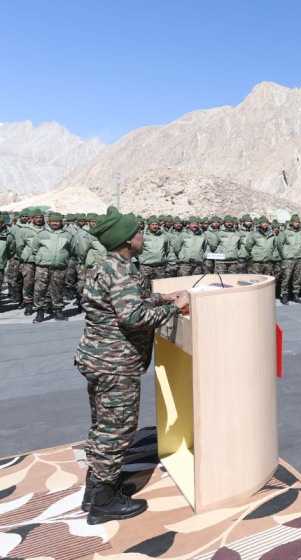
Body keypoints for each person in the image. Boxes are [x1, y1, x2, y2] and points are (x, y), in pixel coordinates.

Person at [75, 206, 189, 524]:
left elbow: (128, 303)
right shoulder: (120, 271)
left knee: (103, 428)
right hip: (115, 364)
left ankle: (97, 490)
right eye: (138, 231)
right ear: (127, 239)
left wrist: (162, 300)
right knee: (117, 431)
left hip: (100, 359)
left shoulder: (111, 265)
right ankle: (103, 504)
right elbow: (132, 317)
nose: (142, 236)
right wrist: (175, 309)